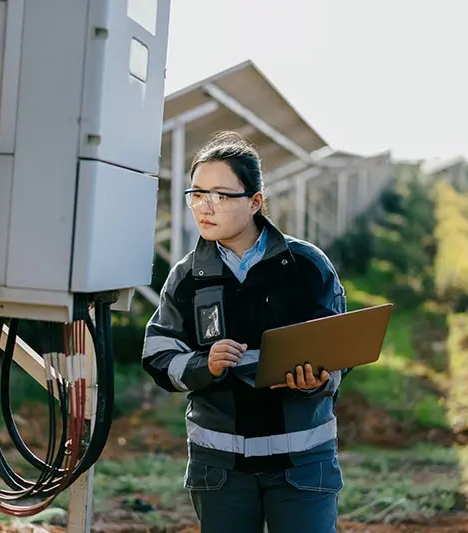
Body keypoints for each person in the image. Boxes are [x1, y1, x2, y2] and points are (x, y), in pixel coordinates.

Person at [141, 131, 351, 533]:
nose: (205, 207)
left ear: (255, 201)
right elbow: (157, 353)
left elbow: (338, 347)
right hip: (220, 469)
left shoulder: (307, 266)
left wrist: (315, 381)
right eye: (197, 194)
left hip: (302, 464)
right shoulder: (186, 277)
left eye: (220, 195)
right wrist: (205, 364)